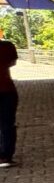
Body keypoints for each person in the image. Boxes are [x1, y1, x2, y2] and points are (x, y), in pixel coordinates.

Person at [0, 38, 18, 168]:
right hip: (7, 90)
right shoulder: (7, 46)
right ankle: (6, 156)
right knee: (7, 123)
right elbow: (12, 62)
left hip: (7, 89)